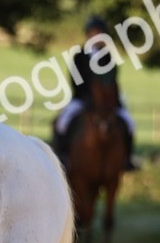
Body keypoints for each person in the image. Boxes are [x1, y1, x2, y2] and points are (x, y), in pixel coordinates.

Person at [52, 15, 137, 168]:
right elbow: (75, 80)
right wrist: (88, 97)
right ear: (88, 34)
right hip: (82, 98)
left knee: (129, 122)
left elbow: (112, 79)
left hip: (107, 101)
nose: (96, 37)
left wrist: (110, 98)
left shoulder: (108, 57)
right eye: (93, 33)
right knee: (62, 122)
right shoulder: (79, 56)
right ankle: (63, 157)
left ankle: (127, 159)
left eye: (99, 33)